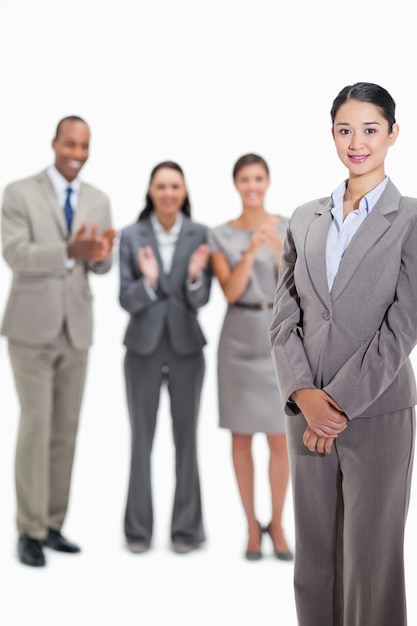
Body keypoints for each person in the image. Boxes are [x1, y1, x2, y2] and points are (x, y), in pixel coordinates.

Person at [270, 82, 417, 626]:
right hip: (304, 410)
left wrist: (335, 406)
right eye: (345, 129)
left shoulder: (410, 218)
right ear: (332, 133)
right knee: (314, 563)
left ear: (393, 134)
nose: (357, 142)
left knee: (371, 561)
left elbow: (403, 326)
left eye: (370, 129)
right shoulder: (304, 217)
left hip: (377, 411)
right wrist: (304, 396)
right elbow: (284, 313)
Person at [1, 115, 116, 567]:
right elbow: (15, 254)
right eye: (70, 144)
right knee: (36, 425)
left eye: (84, 146)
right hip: (31, 328)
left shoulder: (98, 199)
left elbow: (99, 266)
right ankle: (27, 529)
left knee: (65, 431)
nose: (76, 153)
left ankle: (52, 524)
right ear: (54, 143)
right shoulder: (19, 193)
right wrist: (70, 251)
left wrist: (100, 255)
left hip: (77, 328)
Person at [119, 161, 211, 555]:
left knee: (186, 439)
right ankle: (137, 531)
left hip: (187, 347)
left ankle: (187, 529)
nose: (169, 192)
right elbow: (125, 298)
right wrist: (150, 282)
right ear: (151, 191)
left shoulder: (200, 234)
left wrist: (193, 276)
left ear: (184, 191)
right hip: (142, 346)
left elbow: (202, 298)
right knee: (142, 440)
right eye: (162, 186)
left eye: (175, 186)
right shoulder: (130, 235)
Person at [208, 153, 293, 561]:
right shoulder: (220, 234)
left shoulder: (288, 227)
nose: (252, 185)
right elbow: (230, 290)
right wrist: (249, 251)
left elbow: (296, 289)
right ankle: (250, 527)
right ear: (236, 184)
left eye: (258, 177)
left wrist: (276, 249)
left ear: (268, 181)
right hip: (238, 341)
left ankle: (277, 523)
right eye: (245, 178)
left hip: (278, 338)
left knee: (281, 438)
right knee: (241, 437)